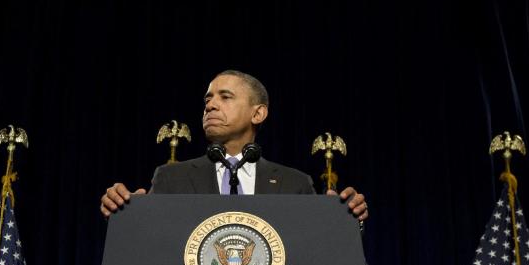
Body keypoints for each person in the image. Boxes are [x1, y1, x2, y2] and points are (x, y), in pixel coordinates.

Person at [100, 70, 369, 221]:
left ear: (258, 114)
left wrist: (344, 219)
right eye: (208, 99)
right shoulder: (171, 178)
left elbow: (313, 250)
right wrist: (125, 213)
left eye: (225, 97)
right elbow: (151, 244)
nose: (210, 105)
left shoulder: (294, 183)